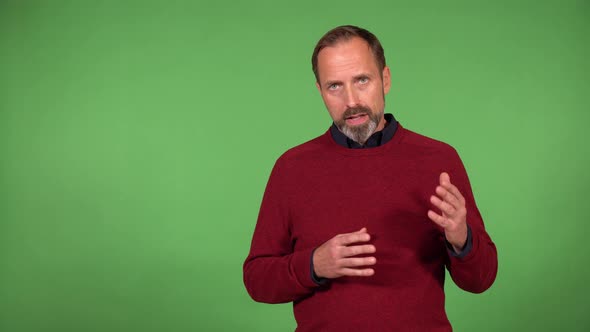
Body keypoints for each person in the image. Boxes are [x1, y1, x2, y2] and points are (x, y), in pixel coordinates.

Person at [243, 25, 497, 331]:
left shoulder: (438, 160)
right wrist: (314, 265)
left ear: (385, 79)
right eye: (334, 86)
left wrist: (461, 239)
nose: (351, 101)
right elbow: (257, 281)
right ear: (320, 91)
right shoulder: (291, 167)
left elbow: (481, 280)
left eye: (361, 80)